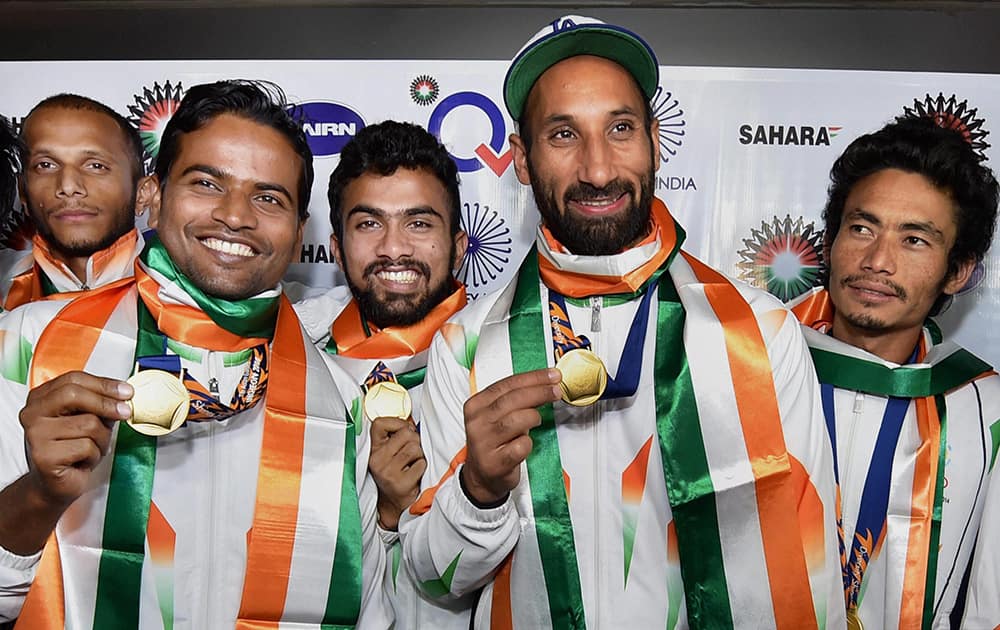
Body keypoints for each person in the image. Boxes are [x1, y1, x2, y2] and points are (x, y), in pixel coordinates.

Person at [398, 15, 844, 629]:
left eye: (621, 129)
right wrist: (477, 489)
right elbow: (432, 580)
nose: (599, 169)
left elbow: (808, 566)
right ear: (522, 160)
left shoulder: (758, 332)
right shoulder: (466, 344)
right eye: (562, 135)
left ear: (656, 140)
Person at [0, 80, 388, 628]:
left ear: (300, 232)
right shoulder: (31, 343)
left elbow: (369, 614)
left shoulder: (342, 399)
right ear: (154, 196)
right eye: (207, 183)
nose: (235, 216)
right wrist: (38, 495)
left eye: (268, 197)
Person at [788, 116, 1000, 629]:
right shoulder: (743, 370)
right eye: (861, 228)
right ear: (831, 239)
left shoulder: (984, 409)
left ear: (958, 271)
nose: (877, 260)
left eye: (915, 240)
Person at [294, 120, 470, 629]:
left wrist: (407, 513)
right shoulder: (292, 353)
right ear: (334, 246)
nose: (394, 249)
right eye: (369, 223)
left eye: (419, 223)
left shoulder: (500, 356)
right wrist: (383, 515)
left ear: (458, 245)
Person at [1, 94, 154, 310]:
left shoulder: (185, 297)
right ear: (23, 192)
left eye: (95, 166)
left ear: (143, 193)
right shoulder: (5, 299)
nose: (68, 186)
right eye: (45, 165)